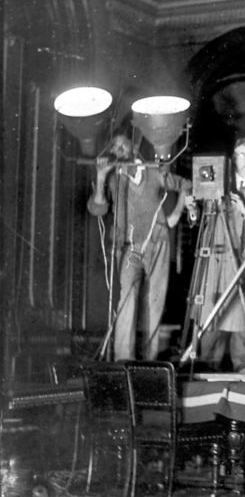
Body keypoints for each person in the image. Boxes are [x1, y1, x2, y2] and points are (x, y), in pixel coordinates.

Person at [88, 133, 191, 361]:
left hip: (159, 244)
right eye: (113, 146)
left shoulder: (154, 171)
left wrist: (174, 216)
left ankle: (151, 362)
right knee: (125, 299)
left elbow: (186, 185)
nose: (118, 150)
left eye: (122, 145)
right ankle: (123, 360)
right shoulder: (114, 178)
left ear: (134, 147)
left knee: (155, 301)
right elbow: (97, 209)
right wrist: (101, 176)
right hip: (129, 247)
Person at [188, 136, 245, 372]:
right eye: (243, 155)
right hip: (216, 259)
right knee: (212, 315)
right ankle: (207, 368)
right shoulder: (217, 179)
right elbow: (201, 220)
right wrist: (193, 211)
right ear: (233, 158)